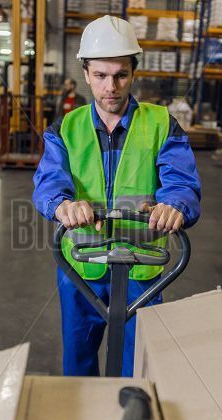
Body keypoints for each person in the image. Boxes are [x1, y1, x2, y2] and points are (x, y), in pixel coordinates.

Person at [33, 15, 201, 377]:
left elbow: (181, 181)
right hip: (81, 265)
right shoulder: (65, 127)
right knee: (78, 360)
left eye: (121, 75)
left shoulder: (162, 124)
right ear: (86, 72)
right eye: (100, 76)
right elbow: (48, 181)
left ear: (133, 73)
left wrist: (175, 204)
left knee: (136, 362)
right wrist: (62, 204)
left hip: (141, 265)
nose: (111, 87)